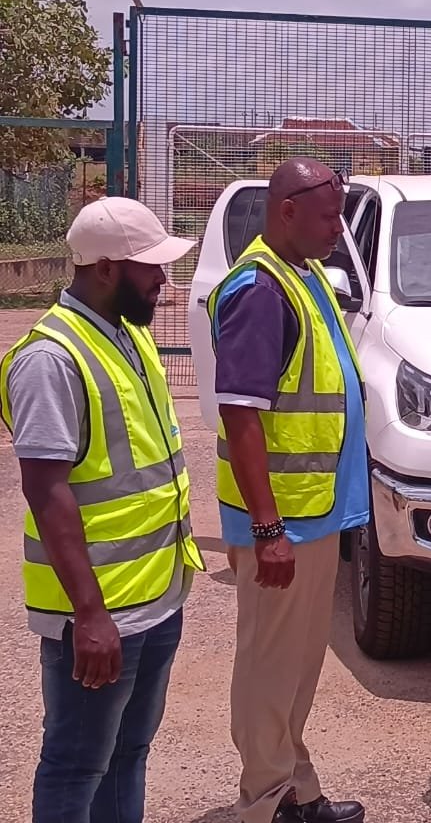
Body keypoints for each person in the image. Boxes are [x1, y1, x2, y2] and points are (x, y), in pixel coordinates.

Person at [0, 197, 205, 823]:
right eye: (151, 267)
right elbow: (47, 491)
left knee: (127, 754)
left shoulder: (128, 336)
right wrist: (90, 616)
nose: (163, 279)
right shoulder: (50, 359)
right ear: (108, 268)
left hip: (155, 597)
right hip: (96, 613)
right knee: (77, 764)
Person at [208, 158, 368, 823]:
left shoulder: (301, 275)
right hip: (284, 522)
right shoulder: (259, 289)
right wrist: (268, 528)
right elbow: (240, 414)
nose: (338, 228)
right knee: (270, 668)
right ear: (288, 211)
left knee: (296, 670)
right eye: (329, 217)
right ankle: (266, 801)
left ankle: (295, 788)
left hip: (315, 513)